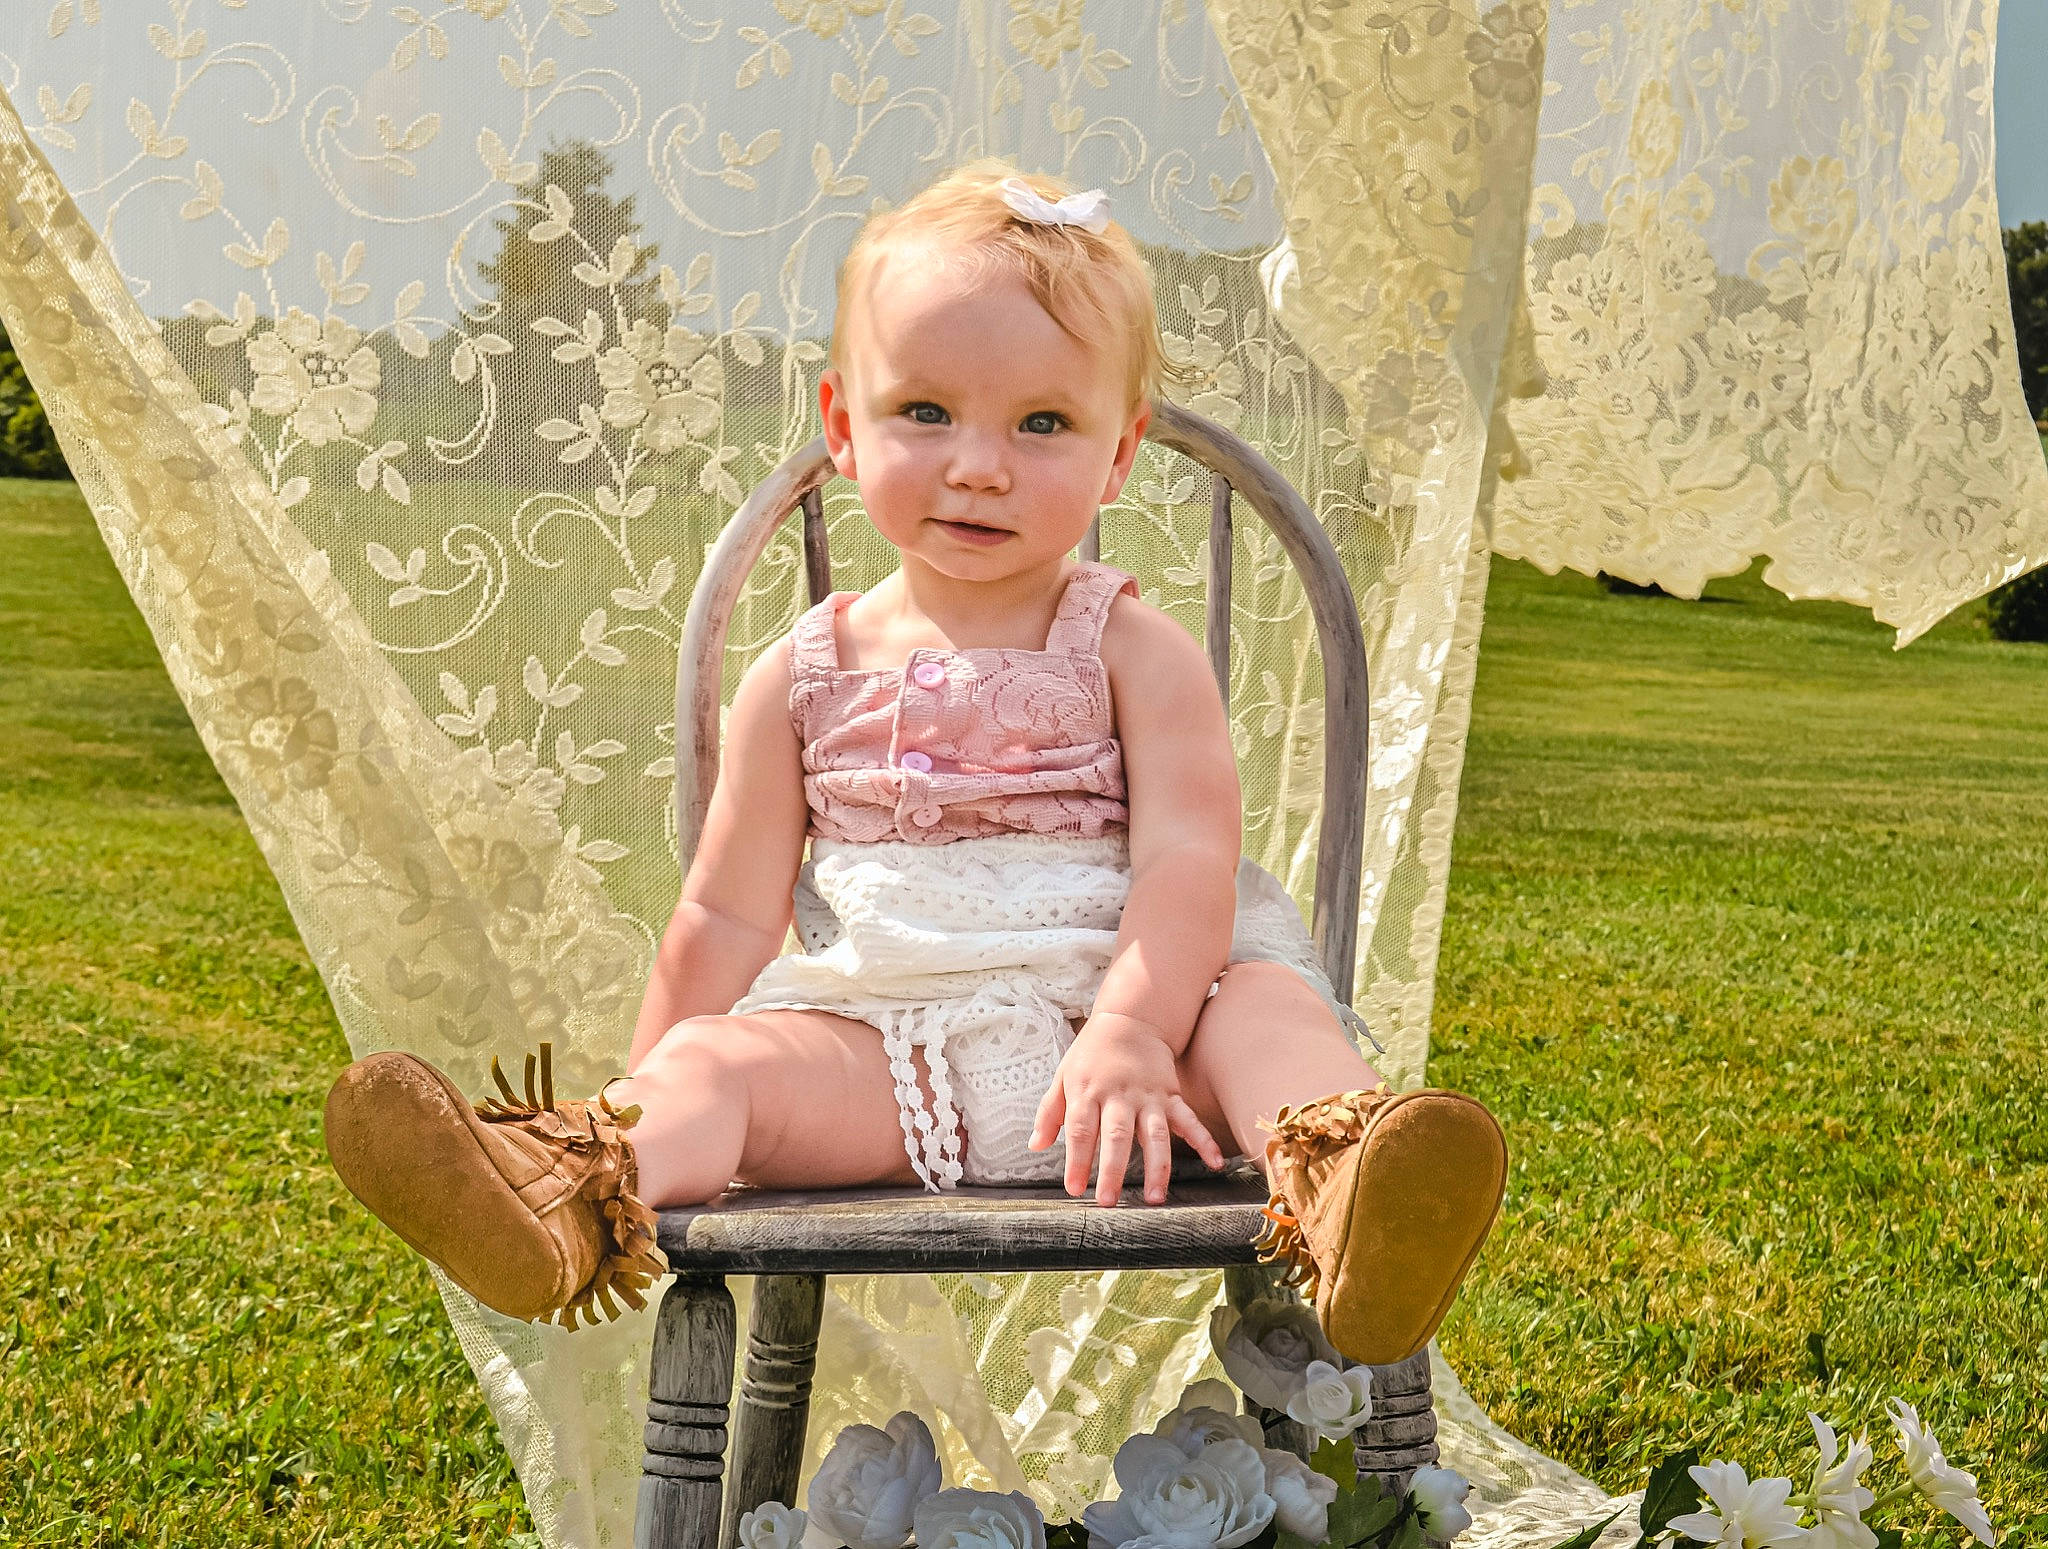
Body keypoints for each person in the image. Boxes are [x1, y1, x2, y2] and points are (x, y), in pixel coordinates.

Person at [322, 162, 1508, 1367]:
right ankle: (571, 1182)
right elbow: (725, 914)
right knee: (715, 1067)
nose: (978, 464)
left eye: (1041, 423)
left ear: (1117, 455)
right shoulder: (798, 672)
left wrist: (1137, 1030)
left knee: (1265, 1008)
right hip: (883, 1054)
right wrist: (660, 1083)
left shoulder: (1133, 650)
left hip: (1140, 1062)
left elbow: (1189, 863)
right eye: (925, 413)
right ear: (843, 427)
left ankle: (1350, 1179)